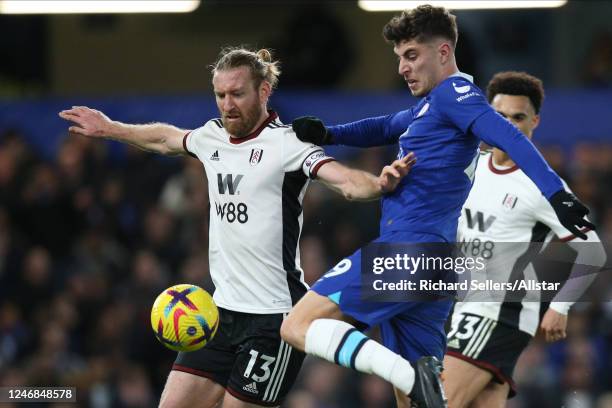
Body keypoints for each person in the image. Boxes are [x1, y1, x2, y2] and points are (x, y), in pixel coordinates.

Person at [59, 47, 415, 408]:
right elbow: (166, 138)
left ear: (263, 91)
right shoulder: (212, 136)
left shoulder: (287, 144)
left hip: (275, 321)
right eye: (220, 95)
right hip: (218, 315)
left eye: (237, 94)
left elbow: (344, 181)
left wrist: (378, 185)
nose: (228, 104)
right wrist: (110, 128)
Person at [280, 5, 594, 408]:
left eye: (411, 55)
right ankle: (415, 375)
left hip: (409, 252)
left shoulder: (455, 94)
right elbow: (384, 125)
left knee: (298, 325)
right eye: (399, 58)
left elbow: (508, 137)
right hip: (435, 267)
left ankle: (405, 371)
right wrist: (328, 133)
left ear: (444, 52)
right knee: (418, 402)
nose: (402, 68)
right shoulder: (430, 106)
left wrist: (555, 193)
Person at [443, 71, 607, 408]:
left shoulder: (544, 185)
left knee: (435, 400)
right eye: (499, 117)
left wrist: (560, 307)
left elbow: (592, 250)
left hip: (499, 312)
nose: (508, 125)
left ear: (535, 122)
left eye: (518, 117)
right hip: (464, 306)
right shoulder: (468, 167)